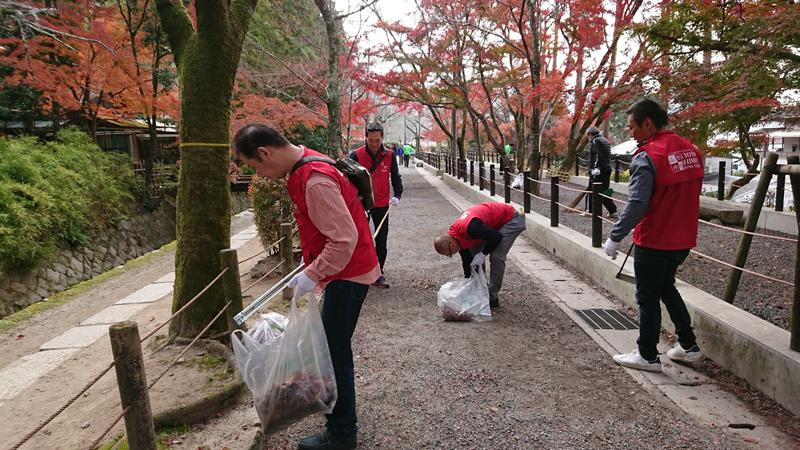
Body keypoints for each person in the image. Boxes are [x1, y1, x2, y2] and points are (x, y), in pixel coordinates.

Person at [233, 123, 380, 450]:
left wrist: (315, 273)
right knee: (334, 348)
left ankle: (342, 434)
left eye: (255, 166)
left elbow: (344, 240)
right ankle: (339, 420)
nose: (259, 174)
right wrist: (312, 265)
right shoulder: (311, 162)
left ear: (264, 153)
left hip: (349, 274)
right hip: (351, 270)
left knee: (333, 353)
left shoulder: (314, 180)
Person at [602, 99, 704, 373]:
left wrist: (615, 236)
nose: (631, 133)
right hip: (683, 238)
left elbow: (638, 203)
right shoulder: (690, 151)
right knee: (666, 288)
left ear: (648, 124)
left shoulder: (648, 156)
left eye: (633, 127)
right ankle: (689, 345)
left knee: (647, 297)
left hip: (655, 238)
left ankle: (647, 355)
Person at [433, 202, 526, 308]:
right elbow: (467, 261)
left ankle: (492, 297)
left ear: (452, 246)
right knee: (474, 257)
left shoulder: (471, 229)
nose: (452, 255)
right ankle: (480, 292)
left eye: (449, 254)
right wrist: (468, 284)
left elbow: (496, 237)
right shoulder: (456, 237)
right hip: (491, 224)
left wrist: (483, 253)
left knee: (496, 256)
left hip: (512, 218)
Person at [350, 122, 403, 289]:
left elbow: (395, 177)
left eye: (377, 140)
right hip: (362, 204)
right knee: (361, 238)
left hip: (381, 203)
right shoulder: (356, 155)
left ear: (382, 138)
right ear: (365, 138)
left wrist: (397, 195)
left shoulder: (389, 155)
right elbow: (349, 181)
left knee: (381, 240)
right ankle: (361, 271)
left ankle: (378, 272)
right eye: (371, 140)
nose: (374, 144)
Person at [586, 127, 618, 218]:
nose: (588, 138)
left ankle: (592, 211)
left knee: (593, 189)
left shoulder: (595, 141)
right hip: (607, 169)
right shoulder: (604, 140)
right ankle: (613, 211)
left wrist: (595, 168)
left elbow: (598, 155)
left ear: (590, 134)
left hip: (599, 171)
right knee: (605, 191)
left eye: (587, 136)